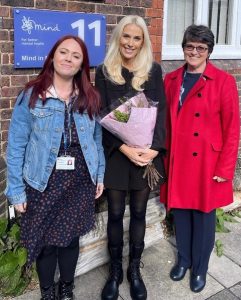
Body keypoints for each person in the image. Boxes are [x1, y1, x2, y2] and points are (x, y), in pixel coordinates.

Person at [5, 35, 105, 300]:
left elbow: (97, 141)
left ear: (82, 64)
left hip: (80, 180)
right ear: (52, 56)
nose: (68, 58)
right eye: (64, 52)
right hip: (42, 181)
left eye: (76, 56)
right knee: (46, 243)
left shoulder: (89, 97)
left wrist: (99, 175)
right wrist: (16, 191)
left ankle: (66, 289)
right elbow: (16, 146)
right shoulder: (32, 95)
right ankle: (47, 292)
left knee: (71, 239)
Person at [161, 24, 240, 293]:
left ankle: (200, 268)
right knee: (181, 213)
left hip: (208, 162)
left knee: (204, 217)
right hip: (179, 159)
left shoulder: (224, 81)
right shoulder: (171, 80)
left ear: (209, 52)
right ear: (183, 48)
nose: (194, 52)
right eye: (189, 46)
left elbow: (232, 129)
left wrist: (226, 168)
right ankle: (183, 259)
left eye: (201, 48)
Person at [95, 15, 166, 300]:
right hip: (116, 153)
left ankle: (134, 270)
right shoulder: (104, 70)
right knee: (114, 213)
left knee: (138, 213)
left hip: (145, 152)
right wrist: (123, 147)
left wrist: (155, 149)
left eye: (137, 38)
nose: (131, 43)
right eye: (126, 36)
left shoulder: (153, 70)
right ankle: (114, 271)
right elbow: (101, 115)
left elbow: (160, 113)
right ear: (118, 38)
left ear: (143, 41)